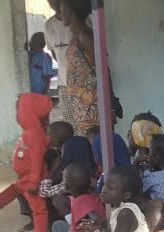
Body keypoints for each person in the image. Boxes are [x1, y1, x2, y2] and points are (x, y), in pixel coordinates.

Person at [0, 94, 53, 232]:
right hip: (25, 178)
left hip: (32, 179)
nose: (17, 113)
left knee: (39, 209)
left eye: (19, 109)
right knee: (17, 189)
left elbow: (38, 159)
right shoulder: (29, 132)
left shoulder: (35, 134)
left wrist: (34, 182)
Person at [61, 0, 98, 136]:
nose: (60, 13)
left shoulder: (85, 37)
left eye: (62, 9)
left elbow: (102, 69)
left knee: (91, 146)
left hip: (90, 106)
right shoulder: (76, 37)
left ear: (71, 12)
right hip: (79, 104)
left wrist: (110, 106)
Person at [40, 135, 96, 218]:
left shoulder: (72, 173)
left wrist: (51, 172)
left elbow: (44, 192)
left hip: (85, 208)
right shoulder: (95, 168)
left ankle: (73, 225)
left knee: (58, 200)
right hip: (95, 207)